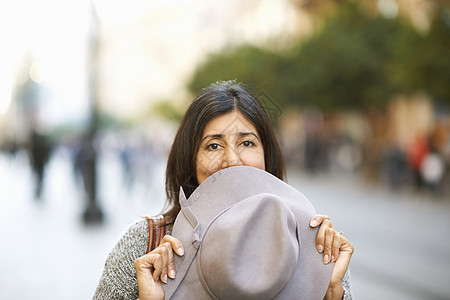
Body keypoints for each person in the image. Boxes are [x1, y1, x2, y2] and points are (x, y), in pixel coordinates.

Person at [94, 81, 354, 300]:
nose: (232, 160)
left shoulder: (317, 248)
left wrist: (331, 291)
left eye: (247, 142)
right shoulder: (143, 246)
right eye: (213, 146)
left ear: (267, 155)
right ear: (189, 158)